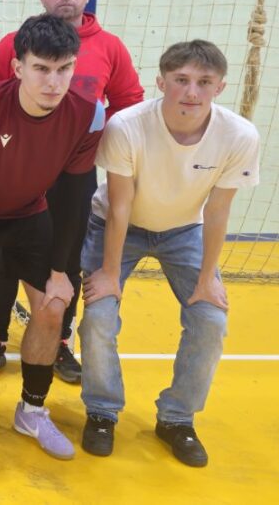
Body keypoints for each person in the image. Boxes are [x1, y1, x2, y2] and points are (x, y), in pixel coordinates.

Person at [0, 14, 105, 461]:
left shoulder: (89, 114)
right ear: (18, 68)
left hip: (31, 215)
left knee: (53, 306)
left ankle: (31, 410)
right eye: (41, 69)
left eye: (64, 69)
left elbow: (73, 198)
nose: (53, 81)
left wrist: (61, 271)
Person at [78, 40, 258, 467]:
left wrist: (207, 278)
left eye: (204, 82)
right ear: (161, 82)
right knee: (99, 316)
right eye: (181, 80)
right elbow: (120, 205)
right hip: (118, 225)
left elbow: (217, 210)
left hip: (184, 229)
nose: (192, 92)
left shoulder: (238, 135)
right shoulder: (127, 125)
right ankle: (102, 411)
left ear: (220, 87)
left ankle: (177, 418)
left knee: (211, 320)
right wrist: (109, 273)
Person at [0, 0, 144, 384]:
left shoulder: (110, 47)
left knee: (65, 258)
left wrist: (92, 142)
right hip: (18, 168)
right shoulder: (15, 44)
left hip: (73, 171)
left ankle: (61, 341)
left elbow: (129, 106)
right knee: (9, 255)